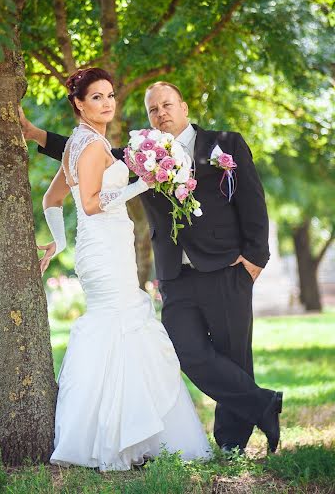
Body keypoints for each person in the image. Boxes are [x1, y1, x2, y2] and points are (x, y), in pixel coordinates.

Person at [20, 77, 283, 456]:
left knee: (232, 355)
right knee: (183, 349)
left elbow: (253, 202)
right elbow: (87, 155)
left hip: (228, 268)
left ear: (184, 108)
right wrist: (36, 134)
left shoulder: (225, 144)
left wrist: (256, 259)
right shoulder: (142, 154)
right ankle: (263, 403)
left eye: (167, 105)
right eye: (153, 109)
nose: (161, 113)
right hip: (175, 275)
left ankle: (230, 442)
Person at [33, 68, 212, 471]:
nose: (107, 103)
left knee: (112, 327)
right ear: (79, 104)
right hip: (106, 250)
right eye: (96, 97)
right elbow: (94, 203)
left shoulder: (76, 145)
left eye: (110, 95)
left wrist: (59, 242)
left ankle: (106, 433)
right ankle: (125, 439)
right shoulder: (92, 146)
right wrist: (144, 182)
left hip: (95, 250)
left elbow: (51, 199)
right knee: (123, 325)